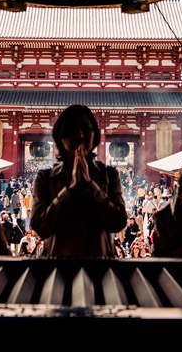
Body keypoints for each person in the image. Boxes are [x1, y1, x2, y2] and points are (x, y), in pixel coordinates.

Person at [30, 105, 127, 257]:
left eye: (86, 128)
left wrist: (90, 185)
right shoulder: (45, 178)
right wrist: (69, 191)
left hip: (100, 265)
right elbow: (40, 227)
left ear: (95, 134)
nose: (80, 135)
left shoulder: (109, 175)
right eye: (72, 129)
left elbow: (118, 222)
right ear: (61, 137)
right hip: (58, 267)